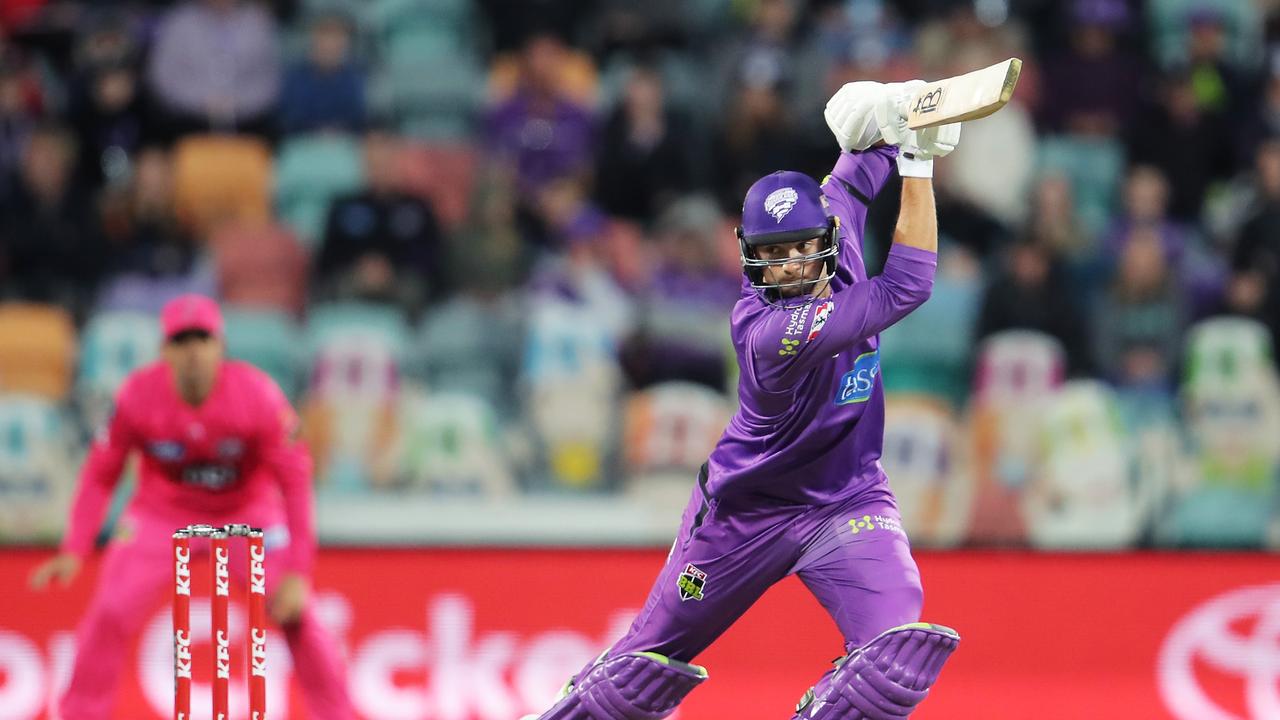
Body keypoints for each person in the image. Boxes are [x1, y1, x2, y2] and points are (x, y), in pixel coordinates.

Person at [523, 81, 961, 719]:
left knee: (892, 654)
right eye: (771, 255)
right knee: (638, 671)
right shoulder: (769, 332)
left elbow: (855, 173)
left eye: (800, 250)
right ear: (749, 258)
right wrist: (918, 163)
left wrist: (887, 121)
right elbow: (907, 286)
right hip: (744, 513)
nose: (787, 268)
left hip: (848, 497)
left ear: (827, 237)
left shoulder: (832, 221)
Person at [28, 294, 355, 719]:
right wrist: (75, 547)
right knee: (109, 610)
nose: (193, 352)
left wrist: (299, 571)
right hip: (163, 514)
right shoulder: (136, 397)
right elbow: (100, 472)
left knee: (299, 615)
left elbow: (294, 480)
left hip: (246, 512)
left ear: (220, 345)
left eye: (202, 339)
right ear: (164, 350)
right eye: (181, 341)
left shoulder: (258, 396)